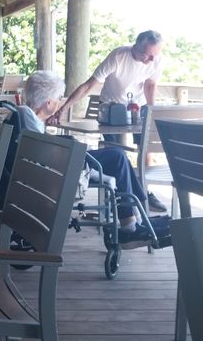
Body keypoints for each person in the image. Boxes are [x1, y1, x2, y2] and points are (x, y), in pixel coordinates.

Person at [20, 70, 152, 245]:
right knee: (118, 156)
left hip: (60, 159)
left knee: (119, 157)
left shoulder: (25, 115)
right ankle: (132, 221)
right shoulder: (30, 118)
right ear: (49, 102)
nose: (60, 102)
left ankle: (136, 215)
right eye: (59, 98)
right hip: (64, 164)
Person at [48, 30, 166, 212]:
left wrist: (152, 112)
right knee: (116, 154)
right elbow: (88, 85)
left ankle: (144, 190)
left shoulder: (156, 59)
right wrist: (63, 109)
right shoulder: (118, 56)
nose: (151, 60)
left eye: (154, 55)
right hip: (111, 108)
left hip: (138, 105)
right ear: (135, 47)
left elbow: (150, 86)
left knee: (146, 148)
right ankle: (118, 199)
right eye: (147, 55)